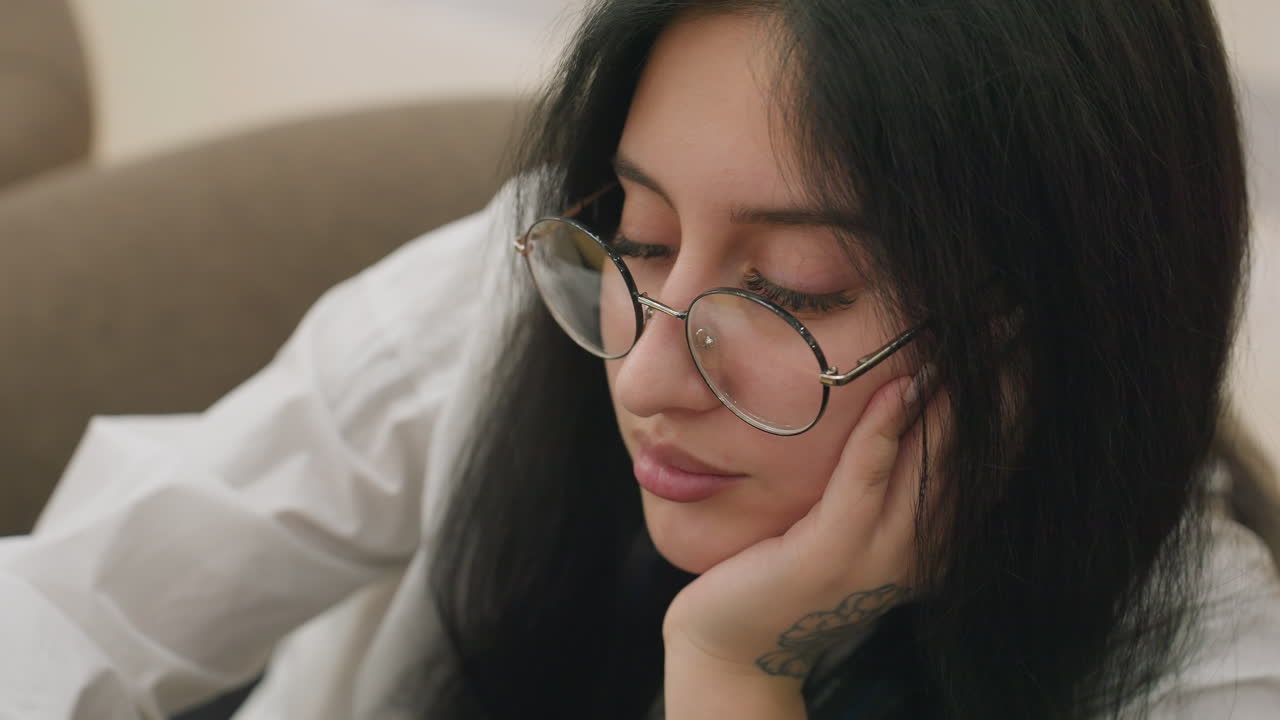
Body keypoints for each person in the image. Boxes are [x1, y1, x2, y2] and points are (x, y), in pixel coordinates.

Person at [2, 0, 1279, 718]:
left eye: (794, 289)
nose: (647, 374)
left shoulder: (1204, 660)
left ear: (1035, 327)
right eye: (649, 233)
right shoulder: (508, 293)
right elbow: (81, 599)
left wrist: (739, 670)